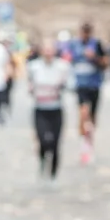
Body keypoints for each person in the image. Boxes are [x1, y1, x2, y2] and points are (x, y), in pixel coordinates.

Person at [26, 40, 70, 180]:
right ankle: (42, 161)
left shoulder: (63, 66)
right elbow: (30, 85)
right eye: (45, 49)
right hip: (40, 109)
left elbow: (70, 84)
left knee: (55, 143)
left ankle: (53, 172)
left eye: (50, 49)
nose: (48, 52)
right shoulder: (33, 66)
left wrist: (62, 86)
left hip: (56, 109)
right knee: (43, 140)